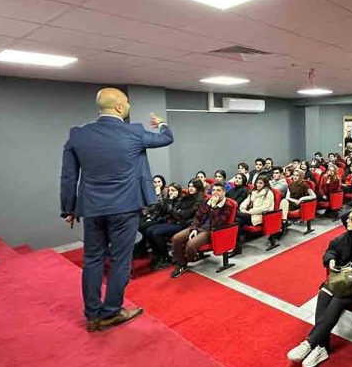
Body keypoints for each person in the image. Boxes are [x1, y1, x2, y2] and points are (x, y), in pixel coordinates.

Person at [60, 87, 172, 332]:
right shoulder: (134, 132)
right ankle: (111, 311)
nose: (129, 106)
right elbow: (166, 138)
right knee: (121, 260)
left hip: (92, 209)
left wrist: (69, 208)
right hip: (125, 207)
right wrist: (163, 124)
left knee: (92, 259)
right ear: (120, 107)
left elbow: (68, 176)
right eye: (128, 103)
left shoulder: (78, 135)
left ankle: (92, 315)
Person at [287, 209, 352, 367]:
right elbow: (332, 249)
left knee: (338, 299)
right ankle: (322, 347)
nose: (347, 221)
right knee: (324, 292)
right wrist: (331, 259)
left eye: (351, 219)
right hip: (344, 280)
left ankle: (309, 343)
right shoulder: (348, 236)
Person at [170, 182, 233, 278]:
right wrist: (194, 228)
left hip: (210, 231)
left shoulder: (227, 206)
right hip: (198, 227)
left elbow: (217, 223)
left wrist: (214, 207)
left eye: (218, 190)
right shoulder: (207, 201)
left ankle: (186, 260)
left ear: (224, 192)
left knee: (190, 245)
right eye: (213, 190)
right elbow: (197, 216)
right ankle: (181, 262)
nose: (215, 192)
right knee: (176, 238)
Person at [147, 180, 204, 270]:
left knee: (156, 233)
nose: (190, 188)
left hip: (185, 223)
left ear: (198, 188)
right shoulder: (186, 198)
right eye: (189, 186)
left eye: (193, 186)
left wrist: (177, 211)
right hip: (174, 221)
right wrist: (170, 201)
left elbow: (186, 214)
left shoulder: (199, 200)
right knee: (148, 231)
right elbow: (166, 211)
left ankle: (165, 257)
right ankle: (158, 255)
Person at [233, 175, 275, 255]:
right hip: (248, 214)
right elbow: (245, 202)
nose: (258, 185)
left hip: (260, 216)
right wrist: (243, 208)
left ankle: (236, 247)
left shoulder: (268, 193)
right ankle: (237, 247)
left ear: (265, 184)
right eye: (257, 183)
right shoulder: (254, 191)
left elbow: (265, 208)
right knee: (237, 221)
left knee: (234, 215)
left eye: (261, 183)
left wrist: (249, 212)